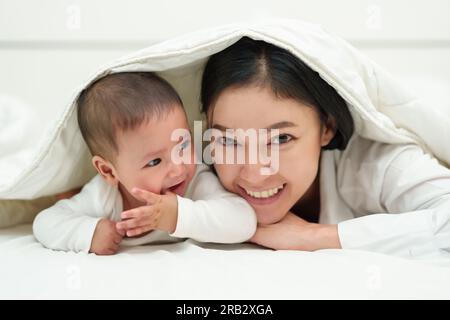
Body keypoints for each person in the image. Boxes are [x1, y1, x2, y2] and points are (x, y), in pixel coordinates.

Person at [200, 37, 450, 259]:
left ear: (327, 127)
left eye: (280, 139)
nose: (254, 173)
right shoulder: (184, 169)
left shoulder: (377, 162)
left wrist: (312, 236)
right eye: (229, 141)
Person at [33, 72, 256, 255]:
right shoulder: (104, 196)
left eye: (183, 145)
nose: (178, 168)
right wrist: (90, 232)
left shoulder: (195, 179)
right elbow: (45, 223)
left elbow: (243, 219)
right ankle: (69, 192)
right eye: (155, 161)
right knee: (71, 200)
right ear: (109, 171)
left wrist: (179, 215)